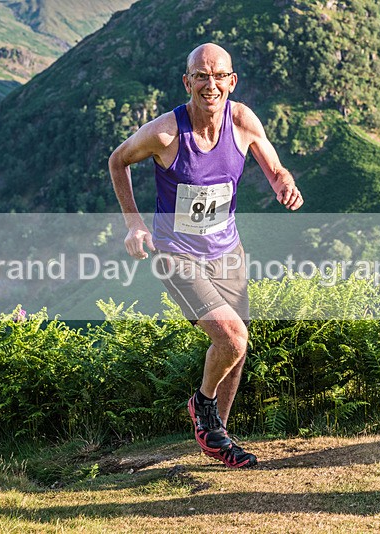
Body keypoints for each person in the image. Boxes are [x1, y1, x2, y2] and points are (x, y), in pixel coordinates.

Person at [108, 43, 302, 468]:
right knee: (231, 337)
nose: (210, 84)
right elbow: (118, 161)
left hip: (228, 251)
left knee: (238, 348)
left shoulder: (243, 121)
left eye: (218, 76)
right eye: (200, 75)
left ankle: (217, 437)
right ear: (187, 82)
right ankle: (202, 404)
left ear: (231, 81)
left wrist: (284, 183)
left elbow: (274, 166)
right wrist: (134, 223)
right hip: (176, 254)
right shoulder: (165, 133)